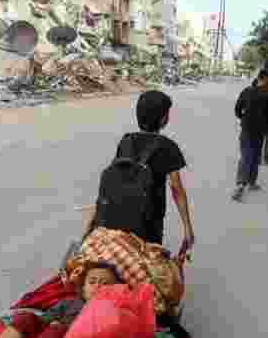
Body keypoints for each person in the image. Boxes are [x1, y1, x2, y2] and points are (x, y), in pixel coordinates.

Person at [81, 90, 195, 256]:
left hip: (116, 214)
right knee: (147, 260)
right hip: (150, 219)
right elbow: (176, 189)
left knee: (121, 254)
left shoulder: (126, 140)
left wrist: (91, 223)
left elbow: (113, 178)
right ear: (164, 119)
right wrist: (187, 227)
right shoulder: (168, 146)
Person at [232, 71, 268, 200]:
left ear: (258, 79)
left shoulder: (247, 91)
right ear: (266, 80)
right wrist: (267, 129)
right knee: (255, 155)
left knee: (246, 155)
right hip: (260, 131)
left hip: (246, 128)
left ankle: (241, 183)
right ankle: (251, 182)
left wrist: (243, 118)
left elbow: (237, 109)